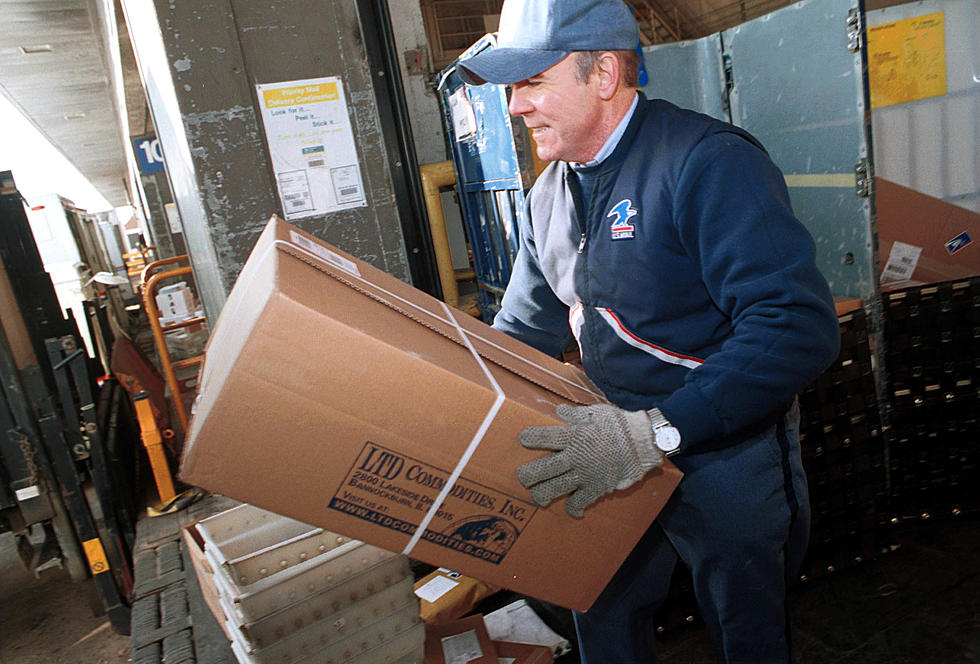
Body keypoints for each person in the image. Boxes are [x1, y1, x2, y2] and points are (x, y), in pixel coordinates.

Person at [456, 0, 842, 662]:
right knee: (602, 610)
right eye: (513, 87)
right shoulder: (546, 198)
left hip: (722, 455)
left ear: (603, 73)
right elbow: (518, 337)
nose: (516, 106)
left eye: (532, 82)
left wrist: (655, 434)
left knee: (746, 628)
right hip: (606, 451)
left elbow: (795, 326)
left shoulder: (705, 163)